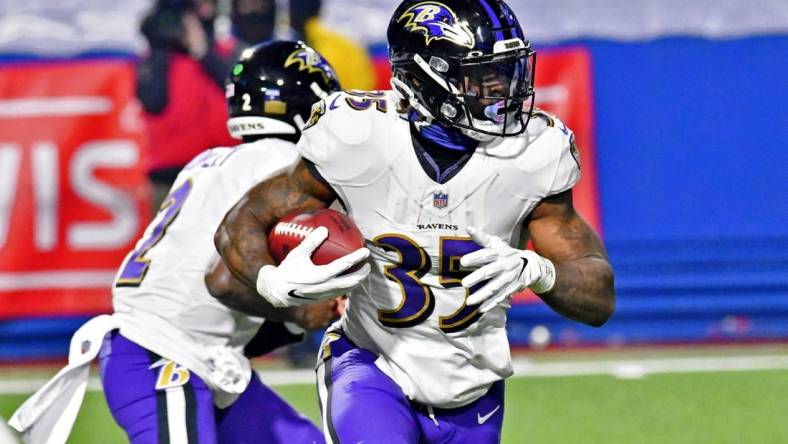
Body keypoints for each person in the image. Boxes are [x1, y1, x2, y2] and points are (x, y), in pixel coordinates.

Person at [214, 1, 616, 442]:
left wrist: (538, 271)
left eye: (506, 71)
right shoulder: (359, 135)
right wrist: (271, 283)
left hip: (472, 386)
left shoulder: (533, 153)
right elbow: (241, 223)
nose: (502, 90)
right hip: (369, 364)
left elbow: (598, 298)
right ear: (424, 78)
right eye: (481, 76)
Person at [10, 41, 342, 444]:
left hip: (196, 353)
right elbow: (222, 283)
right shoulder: (282, 169)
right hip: (162, 354)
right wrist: (302, 311)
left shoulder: (214, 160)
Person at [137, 0, 237, 210]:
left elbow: (238, 91)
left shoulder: (225, 52)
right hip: (172, 182)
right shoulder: (158, 60)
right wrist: (160, 44)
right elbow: (153, 101)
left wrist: (203, 53)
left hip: (225, 176)